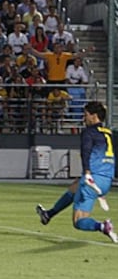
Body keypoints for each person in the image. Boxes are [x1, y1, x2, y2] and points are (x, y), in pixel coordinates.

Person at [36, 101, 117, 243]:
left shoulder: (89, 132)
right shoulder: (109, 133)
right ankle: (49, 214)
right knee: (74, 188)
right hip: (106, 180)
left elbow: (85, 152)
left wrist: (87, 172)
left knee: (79, 221)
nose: (84, 118)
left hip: (92, 180)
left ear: (94, 116)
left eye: (86, 115)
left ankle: (103, 226)